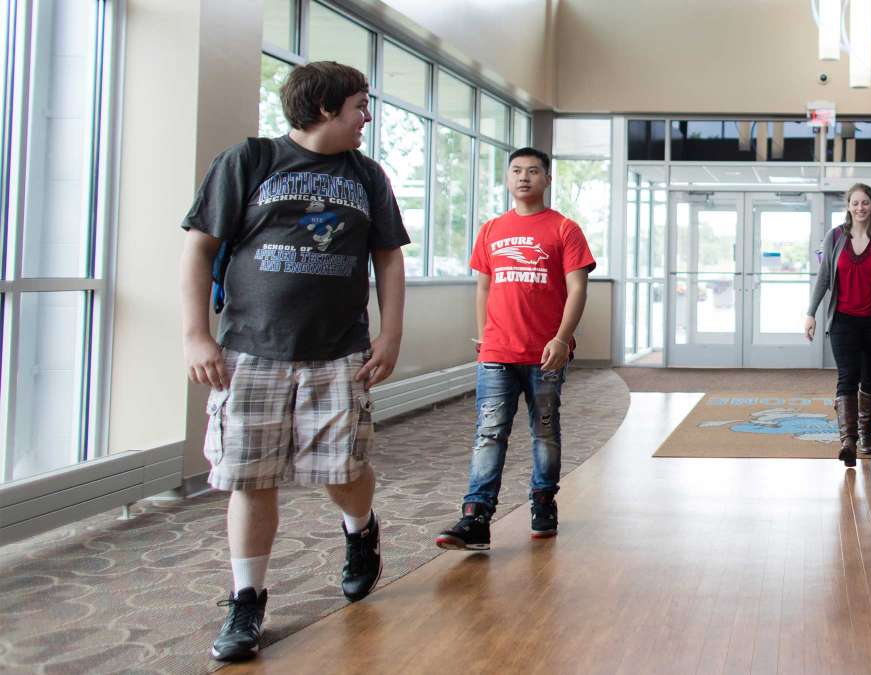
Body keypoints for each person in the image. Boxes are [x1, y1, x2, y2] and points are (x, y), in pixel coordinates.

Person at [180, 62, 409, 662]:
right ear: (327, 107)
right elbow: (199, 248)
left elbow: (387, 258)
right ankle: (247, 599)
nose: (367, 116)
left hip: (339, 351)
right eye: (360, 105)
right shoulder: (249, 161)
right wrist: (195, 335)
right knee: (249, 476)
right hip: (250, 351)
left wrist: (390, 335)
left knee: (342, 468)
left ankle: (361, 534)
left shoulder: (367, 175)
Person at [435, 147, 595, 551]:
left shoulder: (564, 229)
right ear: (508, 179)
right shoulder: (491, 230)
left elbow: (578, 287)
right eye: (517, 171)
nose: (524, 177)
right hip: (496, 353)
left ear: (547, 180)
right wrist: (483, 335)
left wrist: (561, 338)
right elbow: (484, 286)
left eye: (533, 171)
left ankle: (543, 503)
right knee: (488, 433)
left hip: (546, 354)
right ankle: (476, 518)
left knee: (544, 432)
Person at [805, 184, 871, 467]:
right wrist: (810, 313)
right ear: (848, 206)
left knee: (870, 379)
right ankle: (848, 441)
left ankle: (866, 434)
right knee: (847, 377)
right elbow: (824, 277)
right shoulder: (835, 237)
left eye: (865, 203)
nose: (860, 208)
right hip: (843, 322)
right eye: (855, 203)